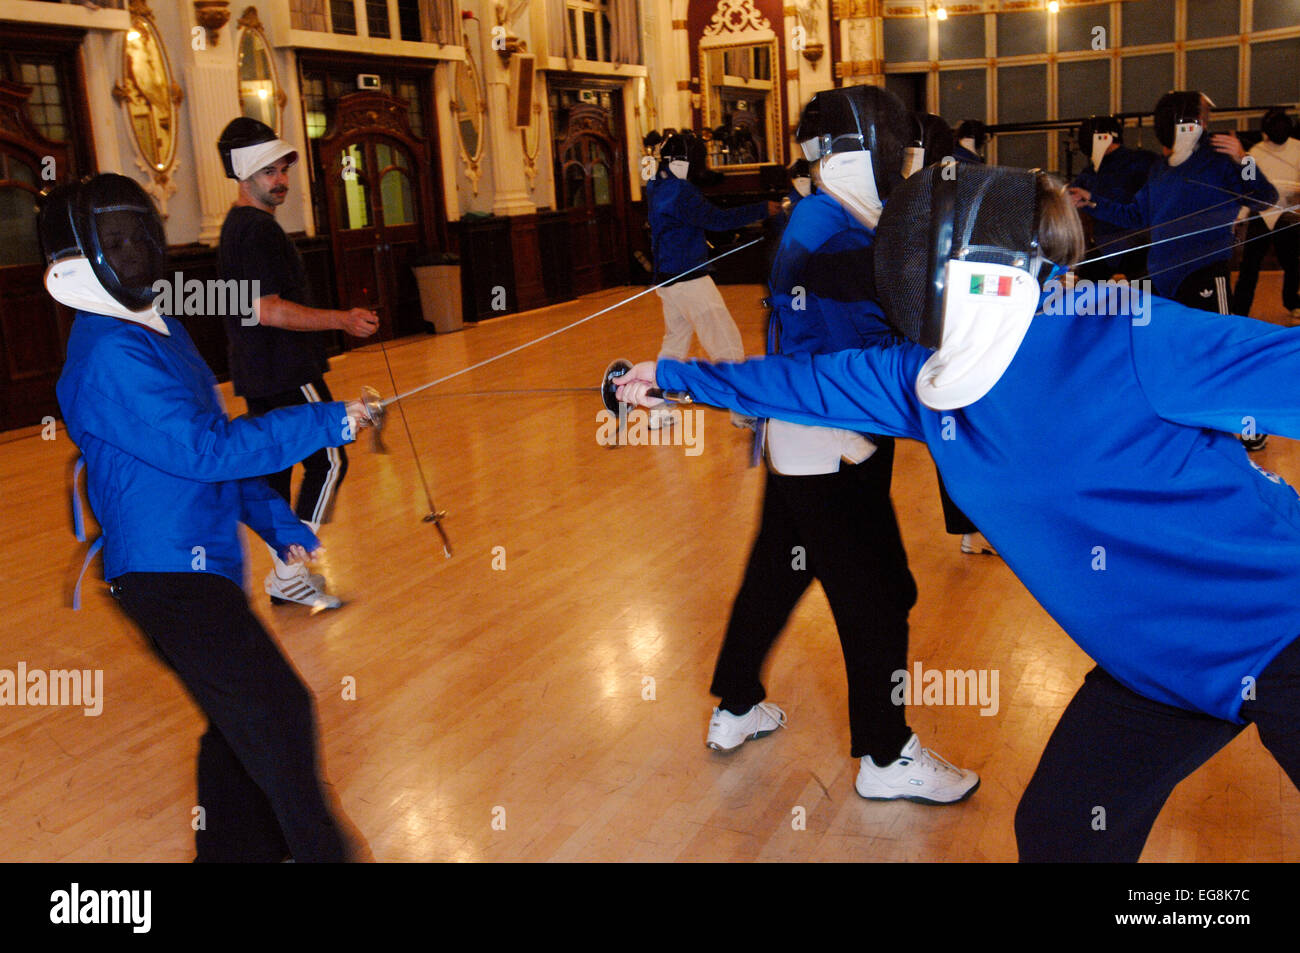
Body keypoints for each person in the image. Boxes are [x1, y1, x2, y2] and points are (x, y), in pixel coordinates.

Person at [614, 163, 1300, 862]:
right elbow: (806, 382)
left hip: (1281, 629)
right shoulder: (922, 381)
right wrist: (670, 377)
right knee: (1060, 835)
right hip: (1153, 666)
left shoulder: (1128, 333)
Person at [44, 174, 375, 861]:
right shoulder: (108, 352)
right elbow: (204, 449)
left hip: (197, 564)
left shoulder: (154, 329)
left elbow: (212, 441)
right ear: (80, 257)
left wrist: (277, 522)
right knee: (276, 712)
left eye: (140, 234)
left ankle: (228, 854)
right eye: (117, 240)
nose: (135, 250)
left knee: (239, 724)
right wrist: (326, 419)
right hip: (163, 576)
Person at [705, 86, 979, 805]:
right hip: (834, 444)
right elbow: (871, 355)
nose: (907, 155)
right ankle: (887, 755)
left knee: (779, 565)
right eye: (898, 143)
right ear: (864, 146)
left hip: (804, 439)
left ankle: (736, 702)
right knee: (883, 595)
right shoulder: (836, 235)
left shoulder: (835, 216)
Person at [217, 117, 380, 609]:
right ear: (246, 175)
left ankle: (284, 576)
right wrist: (342, 320)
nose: (281, 180)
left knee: (275, 470)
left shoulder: (236, 226)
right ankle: (290, 568)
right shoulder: (258, 231)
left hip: (259, 370)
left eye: (283, 169)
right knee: (329, 457)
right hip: (286, 368)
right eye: (269, 172)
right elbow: (267, 308)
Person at [645, 131, 778, 428]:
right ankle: (742, 410)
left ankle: (658, 407)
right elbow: (717, 220)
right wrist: (761, 209)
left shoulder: (656, 186)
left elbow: (700, 191)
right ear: (684, 162)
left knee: (674, 346)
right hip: (690, 280)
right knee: (725, 342)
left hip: (667, 282)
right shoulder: (681, 192)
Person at [1069, 115, 1158, 283]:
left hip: (1137, 248)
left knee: (1135, 302)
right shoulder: (1090, 173)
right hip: (1105, 249)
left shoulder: (1144, 162)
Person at [1231, 108, 1300, 321]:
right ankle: (1240, 311)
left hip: (1289, 212)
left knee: (1292, 262)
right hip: (1260, 213)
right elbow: (1247, 186)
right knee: (1250, 265)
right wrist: (1239, 217)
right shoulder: (1255, 153)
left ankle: (1293, 302)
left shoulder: (1299, 149)